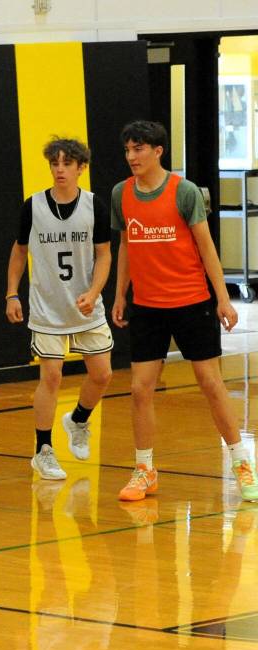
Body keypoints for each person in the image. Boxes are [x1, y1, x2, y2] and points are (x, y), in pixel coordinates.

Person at [111, 120, 257, 502]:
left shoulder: (185, 192)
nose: (131, 157)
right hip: (147, 306)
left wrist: (223, 298)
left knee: (210, 383)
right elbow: (126, 245)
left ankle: (242, 463)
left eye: (138, 149)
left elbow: (207, 247)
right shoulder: (120, 194)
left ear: (158, 151)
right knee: (139, 388)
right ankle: (144, 470)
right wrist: (120, 293)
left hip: (191, 302)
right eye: (127, 150)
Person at [6, 137, 114, 480]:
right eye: (55, 163)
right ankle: (43, 449)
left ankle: (78, 419)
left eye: (67, 163)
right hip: (47, 307)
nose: (60, 169)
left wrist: (94, 291)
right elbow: (20, 251)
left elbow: (104, 254)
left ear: (81, 168)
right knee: (51, 376)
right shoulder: (33, 205)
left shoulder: (95, 205)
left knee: (103, 375)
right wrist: (12, 293)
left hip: (85, 307)